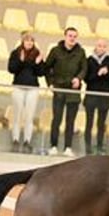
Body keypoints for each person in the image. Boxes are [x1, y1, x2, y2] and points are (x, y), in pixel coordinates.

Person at [43, 27, 87, 157]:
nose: (72, 38)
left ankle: (68, 147)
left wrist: (78, 78)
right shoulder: (55, 51)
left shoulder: (81, 52)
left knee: (70, 120)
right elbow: (47, 68)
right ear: (65, 36)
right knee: (57, 119)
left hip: (73, 91)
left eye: (74, 36)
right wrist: (50, 83)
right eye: (70, 36)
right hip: (59, 88)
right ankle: (53, 146)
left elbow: (84, 69)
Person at [7, 31, 44, 154]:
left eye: (31, 40)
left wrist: (38, 63)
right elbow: (11, 69)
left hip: (32, 88)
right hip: (18, 87)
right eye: (27, 40)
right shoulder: (16, 53)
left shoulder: (37, 54)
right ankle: (16, 140)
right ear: (22, 42)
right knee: (17, 115)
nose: (29, 43)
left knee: (29, 116)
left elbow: (41, 72)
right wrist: (20, 61)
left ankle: (27, 141)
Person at [83, 39, 109, 155]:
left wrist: (107, 73)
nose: (101, 48)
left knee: (101, 123)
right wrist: (98, 73)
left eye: (103, 46)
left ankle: (99, 146)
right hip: (91, 94)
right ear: (95, 47)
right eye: (99, 46)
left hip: (104, 95)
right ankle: (87, 147)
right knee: (89, 122)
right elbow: (86, 78)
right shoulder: (89, 60)